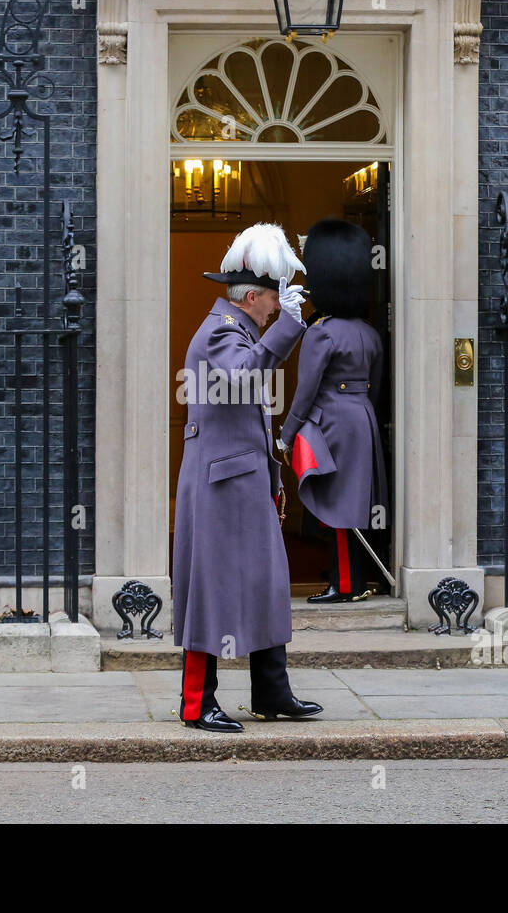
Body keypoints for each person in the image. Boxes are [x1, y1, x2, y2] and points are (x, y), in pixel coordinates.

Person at [171, 223, 325, 732]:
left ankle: (271, 692)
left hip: (245, 480)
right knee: (210, 591)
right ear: (252, 296)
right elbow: (244, 378)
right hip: (219, 484)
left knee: (266, 584)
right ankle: (197, 703)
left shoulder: (241, 330)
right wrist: (289, 327)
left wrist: (273, 475)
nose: (277, 307)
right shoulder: (220, 332)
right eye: (274, 299)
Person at [280, 218, 388, 604]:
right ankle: (352, 576)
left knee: (338, 507)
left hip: (330, 424)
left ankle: (345, 584)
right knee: (354, 505)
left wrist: (287, 433)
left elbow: (305, 391)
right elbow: (374, 386)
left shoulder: (320, 331)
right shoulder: (369, 332)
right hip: (363, 419)